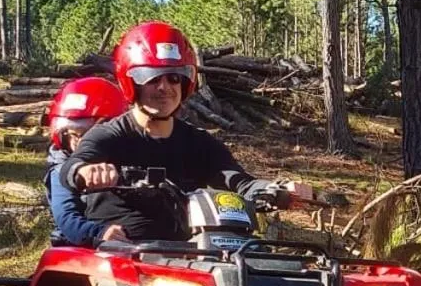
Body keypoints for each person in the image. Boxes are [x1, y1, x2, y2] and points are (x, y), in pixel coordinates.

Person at [60, 21, 306, 243]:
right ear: (131, 82)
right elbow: (71, 168)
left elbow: (238, 182)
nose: (164, 87)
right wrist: (85, 171)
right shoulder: (108, 136)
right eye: (151, 78)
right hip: (117, 255)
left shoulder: (198, 143)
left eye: (174, 78)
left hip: (188, 256)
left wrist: (276, 189)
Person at [45, 77, 129, 246]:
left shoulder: (127, 160)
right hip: (79, 245)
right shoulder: (61, 169)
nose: (79, 141)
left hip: (129, 240)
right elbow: (66, 217)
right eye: (71, 134)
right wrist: (99, 232)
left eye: (88, 134)